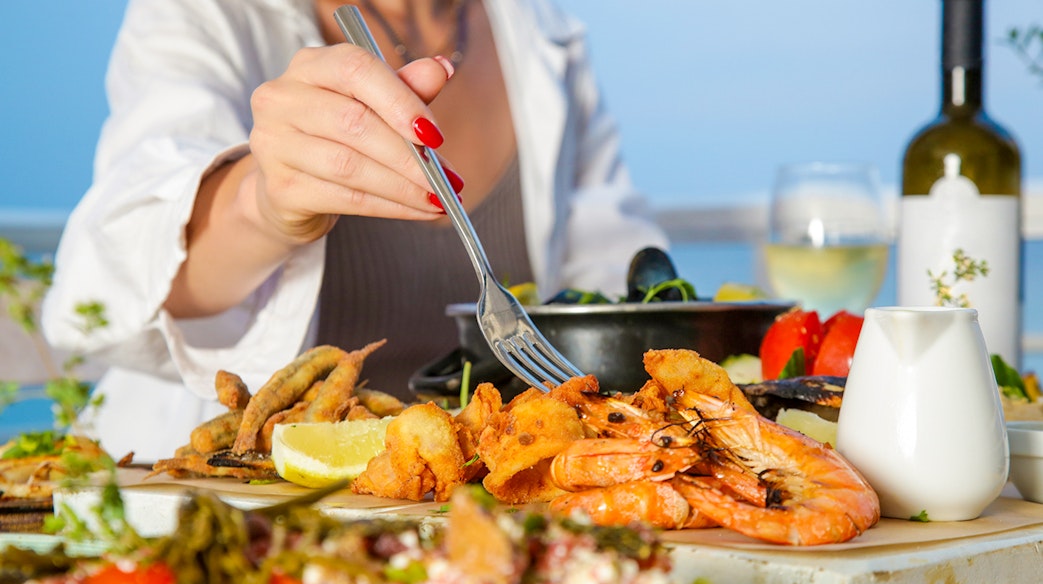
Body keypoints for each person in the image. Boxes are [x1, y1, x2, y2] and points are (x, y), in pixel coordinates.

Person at [42, 0, 668, 463]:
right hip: (237, 508)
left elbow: (613, 278)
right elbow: (118, 269)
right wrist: (262, 203)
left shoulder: (537, 25)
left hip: (469, 506)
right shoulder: (201, 15)